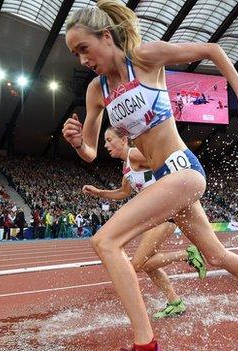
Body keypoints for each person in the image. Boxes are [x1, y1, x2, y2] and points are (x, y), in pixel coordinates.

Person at [62, 2, 238, 349]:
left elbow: (213, 50)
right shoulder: (96, 91)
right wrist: (77, 142)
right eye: (76, 54)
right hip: (163, 180)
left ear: (106, 37)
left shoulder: (145, 57)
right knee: (214, 255)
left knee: (105, 241)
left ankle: (145, 343)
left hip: (182, 168)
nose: (82, 61)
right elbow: (90, 151)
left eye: (84, 49)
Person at [83, 126, 208, 319]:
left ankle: (187, 254)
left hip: (165, 214)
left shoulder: (135, 154)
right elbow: (123, 193)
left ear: (124, 140)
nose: (106, 145)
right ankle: (175, 301)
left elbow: (161, 161)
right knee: (148, 264)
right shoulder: (127, 167)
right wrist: (99, 192)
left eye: (109, 140)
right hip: (154, 217)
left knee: (138, 264)